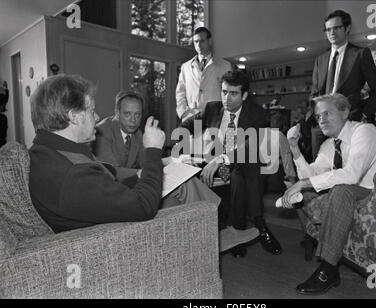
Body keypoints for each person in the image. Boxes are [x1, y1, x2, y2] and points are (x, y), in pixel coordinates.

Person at [282, 93, 376, 295]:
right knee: (307, 193)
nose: (322, 120)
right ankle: (325, 256)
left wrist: (303, 183)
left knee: (340, 190)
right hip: (356, 194)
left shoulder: (364, 131)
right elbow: (312, 175)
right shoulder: (329, 145)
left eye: (327, 113)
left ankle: (328, 268)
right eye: (318, 116)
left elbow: (352, 174)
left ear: (345, 112)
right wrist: (294, 149)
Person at [29, 74, 165, 233]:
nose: (97, 117)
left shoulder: (48, 152)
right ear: (75, 117)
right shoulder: (73, 175)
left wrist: (137, 177)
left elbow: (100, 186)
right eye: (92, 111)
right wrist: (154, 150)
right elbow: (144, 206)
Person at [179, 70, 283, 256]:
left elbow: (251, 146)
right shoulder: (212, 108)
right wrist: (182, 150)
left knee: (246, 166)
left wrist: (222, 159)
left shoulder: (256, 113)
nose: (227, 98)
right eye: (224, 92)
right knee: (239, 173)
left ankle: (244, 228)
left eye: (233, 93)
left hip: (238, 161)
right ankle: (256, 227)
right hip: (212, 161)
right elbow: (186, 126)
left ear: (244, 95)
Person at [92, 90, 221, 209]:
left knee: (184, 183)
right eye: (127, 114)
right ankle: (212, 212)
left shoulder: (137, 134)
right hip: (115, 190)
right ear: (117, 113)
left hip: (133, 184)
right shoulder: (102, 131)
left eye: (137, 114)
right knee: (178, 190)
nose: (133, 120)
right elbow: (112, 172)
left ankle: (211, 213)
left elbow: (148, 161)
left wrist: (175, 160)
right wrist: (142, 173)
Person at [307, 9, 376, 160]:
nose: (332, 32)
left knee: (345, 168)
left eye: (337, 28)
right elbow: (315, 92)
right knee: (319, 168)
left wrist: (363, 114)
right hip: (320, 123)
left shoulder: (360, 54)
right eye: (328, 29)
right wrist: (311, 116)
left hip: (347, 120)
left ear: (347, 28)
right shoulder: (320, 59)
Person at [176, 27, 232, 122]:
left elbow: (230, 94)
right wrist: (183, 114)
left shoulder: (225, 66)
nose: (199, 45)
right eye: (196, 42)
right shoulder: (186, 67)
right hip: (192, 119)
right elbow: (180, 93)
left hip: (216, 120)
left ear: (210, 41)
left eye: (202, 41)